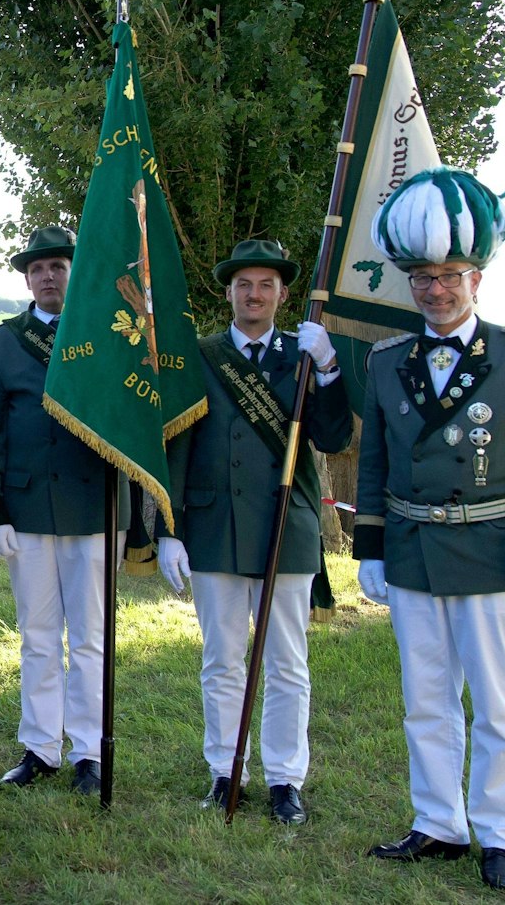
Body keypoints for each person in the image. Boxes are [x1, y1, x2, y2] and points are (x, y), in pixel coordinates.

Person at [354, 168, 505, 891]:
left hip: (494, 554)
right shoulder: (387, 361)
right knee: (425, 701)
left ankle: (501, 835)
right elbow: (376, 463)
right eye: (422, 278)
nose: (435, 290)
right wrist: (371, 548)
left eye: (449, 276)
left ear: (477, 278)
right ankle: (439, 822)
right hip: (412, 555)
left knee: (498, 705)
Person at [158, 239, 352, 824]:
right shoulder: (202, 356)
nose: (255, 294)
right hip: (214, 527)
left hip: (284, 528)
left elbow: (334, 437)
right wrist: (170, 529)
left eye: (267, 284)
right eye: (244, 284)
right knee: (222, 660)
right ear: (229, 293)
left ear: (283, 295)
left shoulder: (304, 355)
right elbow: (178, 444)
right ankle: (226, 772)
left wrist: (330, 370)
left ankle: (285, 779)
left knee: (287, 663)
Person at [0, 226, 123, 797]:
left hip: (94, 507)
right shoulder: (3, 343)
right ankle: (40, 747)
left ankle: (89, 752)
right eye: (38, 269)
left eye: (58, 266)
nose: (48, 276)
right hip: (28, 507)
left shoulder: (108, 334)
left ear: (73, 273)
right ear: (27, 280)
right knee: (38, 635)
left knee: (89, 637)